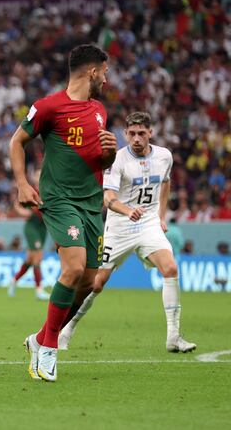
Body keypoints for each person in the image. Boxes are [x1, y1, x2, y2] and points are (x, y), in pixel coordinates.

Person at [10, 44, 117, 382]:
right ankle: (49, 351)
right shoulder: (48, 106)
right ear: (92, 71)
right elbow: (16, 142)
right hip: (59, 200)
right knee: (71, 268)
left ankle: (40, 338)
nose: (107, 77)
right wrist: (22, 184)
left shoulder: (100, 111)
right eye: (105, 70)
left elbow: (99, 161)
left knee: (89, 281)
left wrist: (110, 155)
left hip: (91, 202)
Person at [58, 112, 197, 353]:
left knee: (171, 268)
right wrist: (128, 210)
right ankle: (66, 330)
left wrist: (161, 217)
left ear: (150, 133)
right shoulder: (117, 160)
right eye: (132, 134)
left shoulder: (165, 156)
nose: (136, 138)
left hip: (148, 224)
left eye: (141, 133)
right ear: (125, 134)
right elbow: (109, 198)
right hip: (119, 226)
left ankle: (173, 337)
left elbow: (165, 183)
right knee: (97, 282)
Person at [7, 171, 50, 300]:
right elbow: (24, 210)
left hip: (43, 227)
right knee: (38, 257)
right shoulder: (32, 191)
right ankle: (39, 289)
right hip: (32, 226)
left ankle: (14, 280)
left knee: (30, 259)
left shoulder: (49, 191)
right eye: (38, 176)